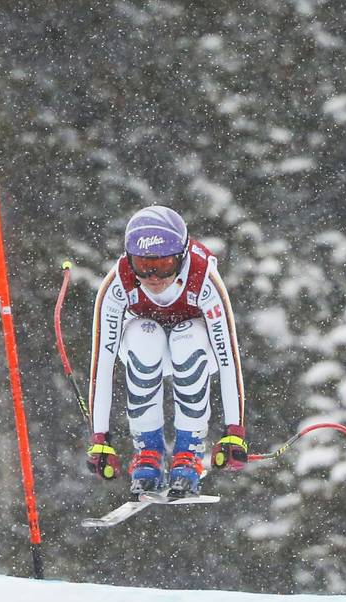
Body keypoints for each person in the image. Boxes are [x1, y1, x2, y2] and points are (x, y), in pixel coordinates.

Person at [85, 205, 248, 499]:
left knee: (188, 337)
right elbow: (102, 363)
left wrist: (234, 431)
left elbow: (229, 361)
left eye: (163, 265)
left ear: (182, 257)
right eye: (142, 264)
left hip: (196, 348)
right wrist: (100, 438)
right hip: (147, 349)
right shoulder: (118, 282)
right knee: (143, 336)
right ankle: (148, 451)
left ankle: (189, 451)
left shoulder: (204, 278)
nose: (152, 277)